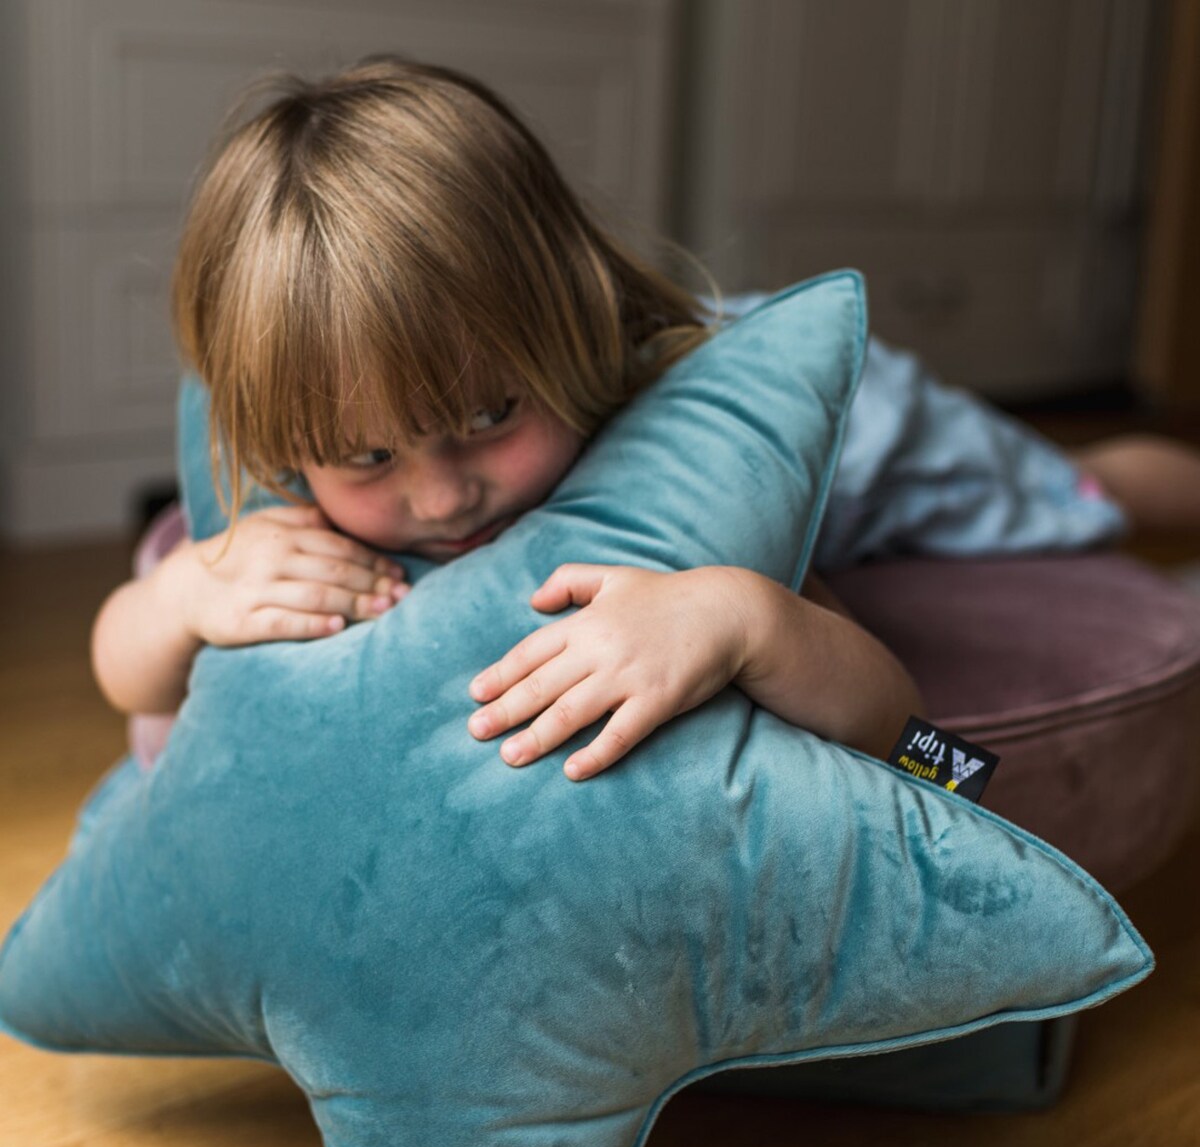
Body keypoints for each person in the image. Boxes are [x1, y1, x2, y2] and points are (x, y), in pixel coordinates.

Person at [90, 56, 1200, 782]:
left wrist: (740, 619)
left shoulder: (689, 476)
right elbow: (126, 672)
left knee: (1068, 496)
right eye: (368, 455)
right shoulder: (292, 474)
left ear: (567, 325)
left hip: (867, 437)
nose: (439, 495)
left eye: (488, 413)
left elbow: (913, 738)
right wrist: (182, 593)